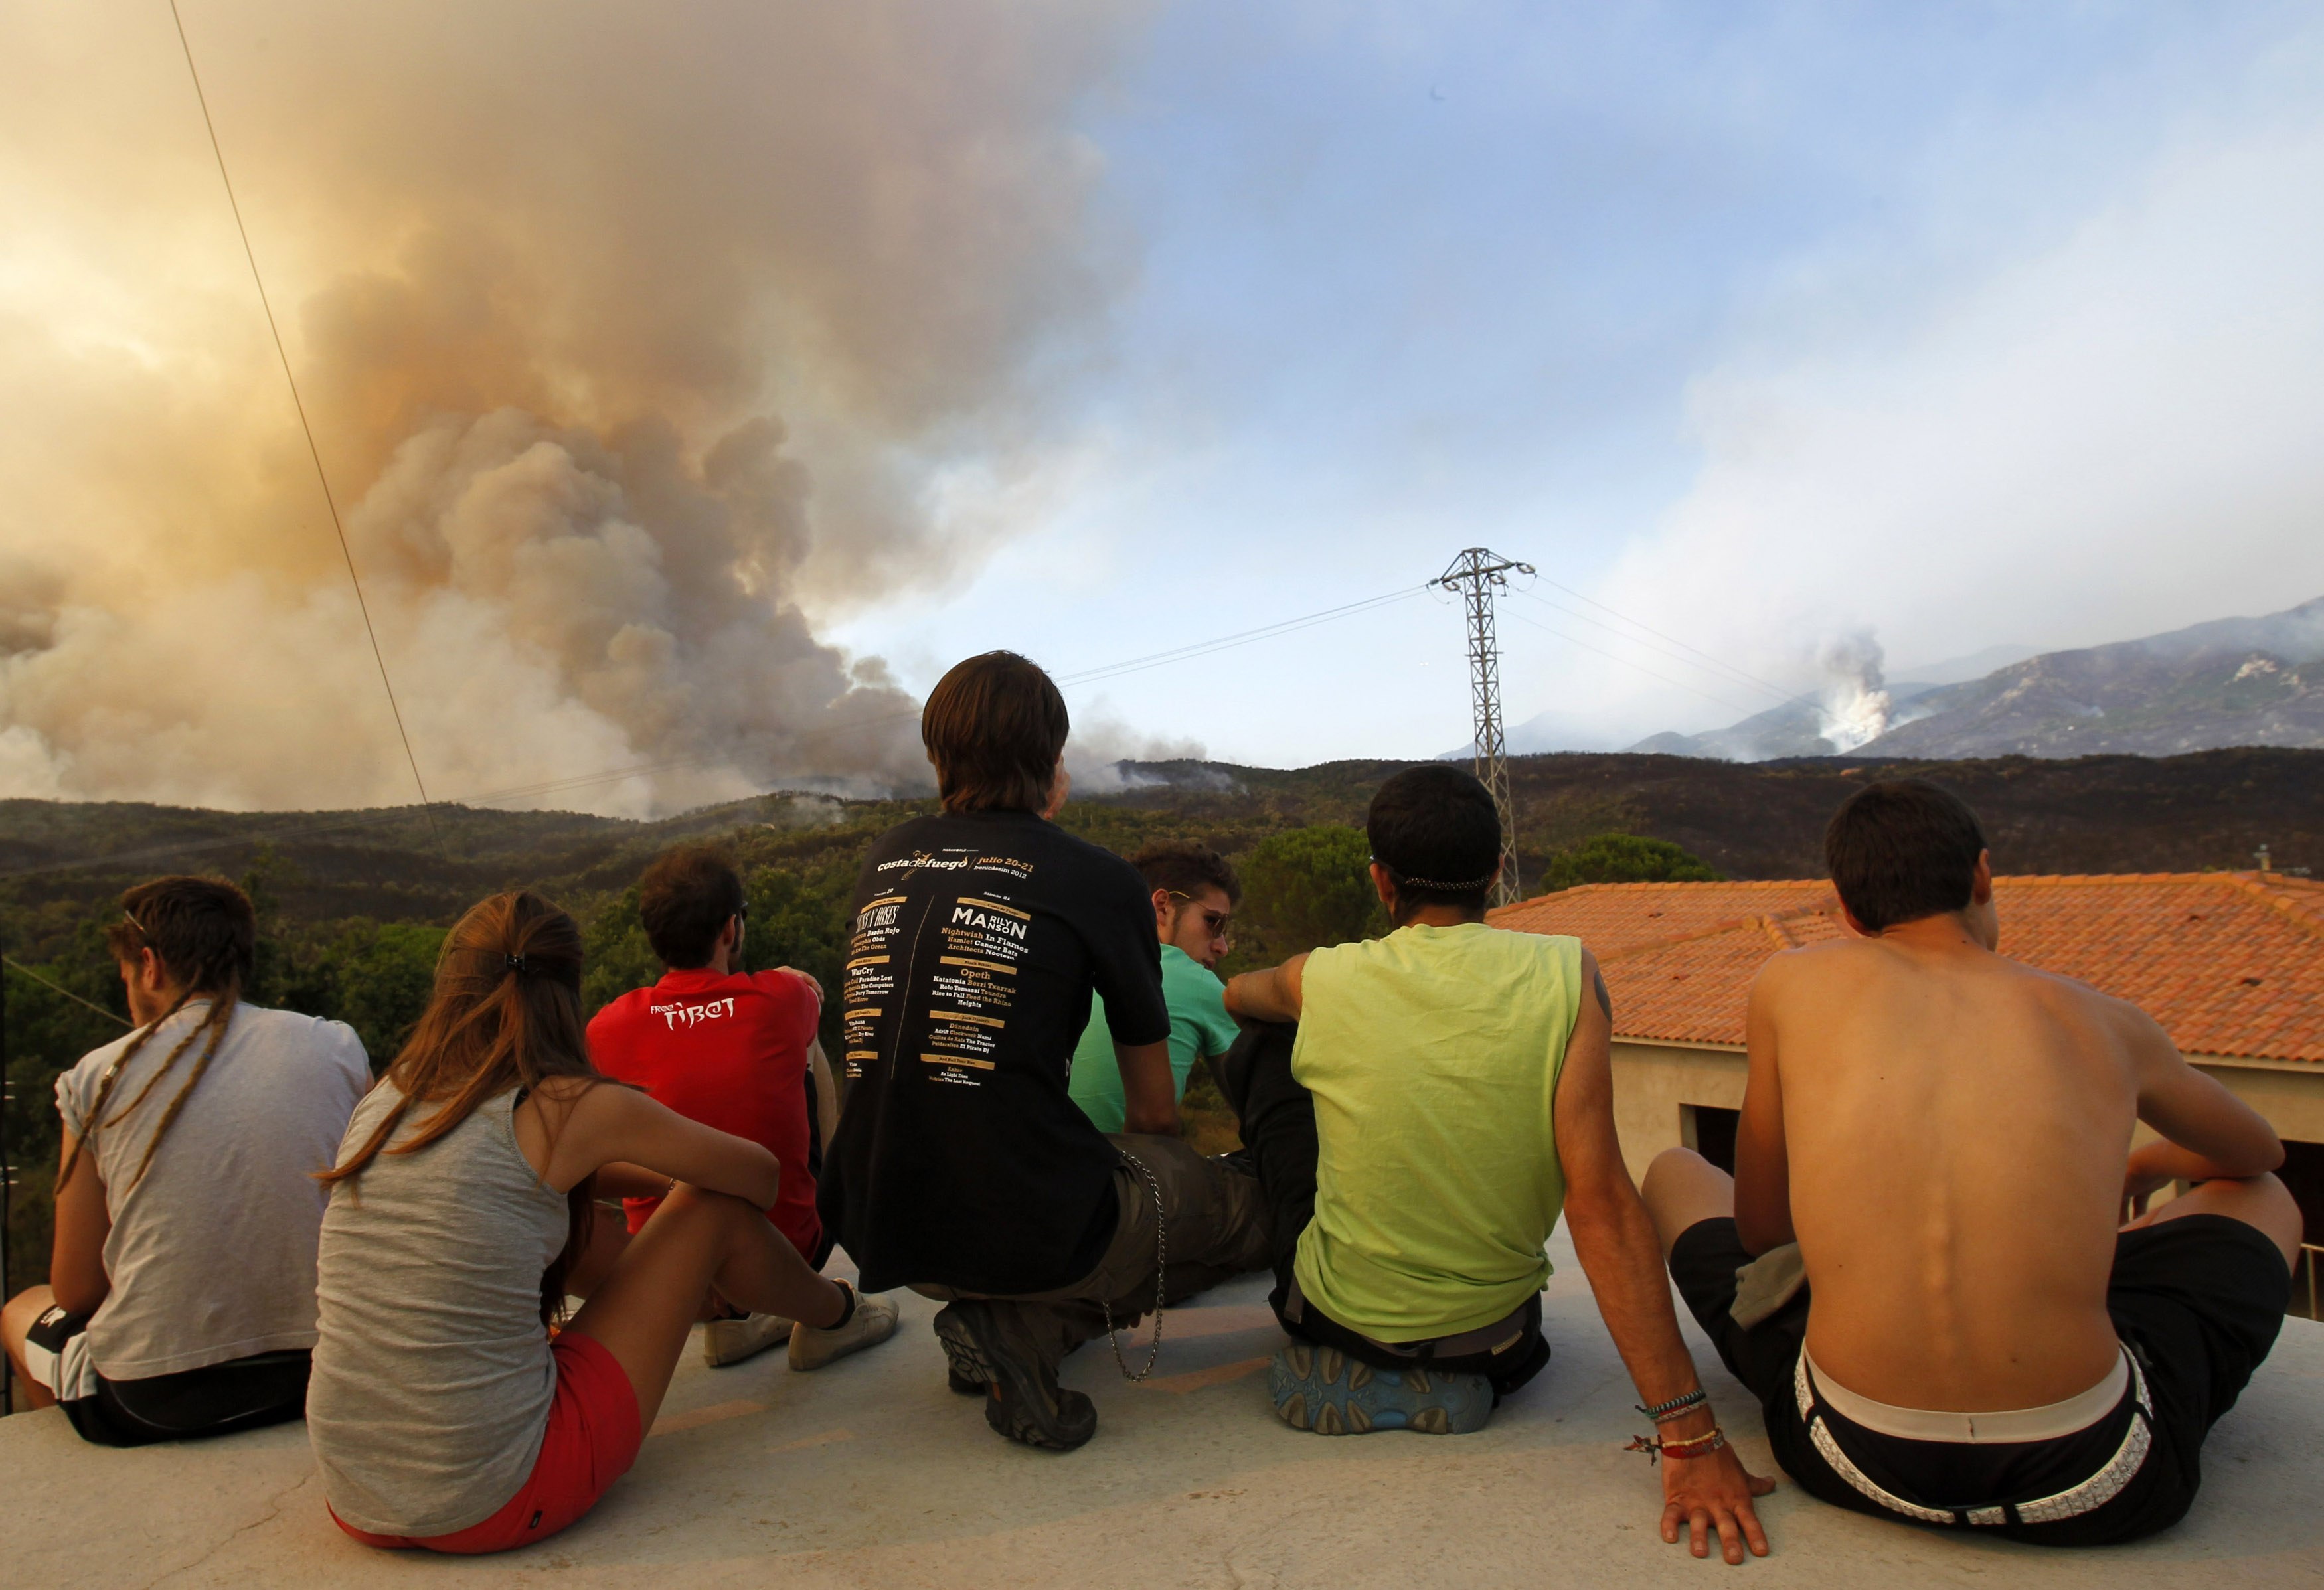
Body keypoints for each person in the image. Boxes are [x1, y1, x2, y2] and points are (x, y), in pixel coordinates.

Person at [1641, 779, 2301, 1546]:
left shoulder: (1789, 983)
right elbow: (2257, 1152)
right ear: (1982, 875)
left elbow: (1759, 1232)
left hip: (1844, 1451)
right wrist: (2142, 1163)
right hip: (2095, 1479)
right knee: (2264, 1198)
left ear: (1847, 912)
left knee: (1672, 1171)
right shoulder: (2103, 1022)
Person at [1219, 764, 1774, 1565]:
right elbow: (1600, 1201)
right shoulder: (1567, 973)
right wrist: (1686, 1430)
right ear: (1495, 869)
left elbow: (1242, 994)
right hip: (1497, 1345)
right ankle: (1442, 1373)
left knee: (1266, 1045)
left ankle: (1359, 1355)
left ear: (1380, 881)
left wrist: (1255, 998)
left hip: (1330, 1317)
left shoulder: (1325, 976)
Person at [308, 891, 890, 1555]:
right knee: (709, 1208)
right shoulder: (571, 1106)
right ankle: (833, 1317)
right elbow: (756, 1177)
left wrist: (630, 1175)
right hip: (490, 1495)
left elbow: (515, 1177)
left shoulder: (389, 1098)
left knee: (560, 1205)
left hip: (354, 1490)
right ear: (563, 991)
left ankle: (745, 1313)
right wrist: (675, 1184)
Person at [817, 651, 1270, 1452]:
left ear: (934, 754)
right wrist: (1168, 1206)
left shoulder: (885, 855)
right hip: (1022, 1228)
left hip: (879, 1225)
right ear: (1054, 758)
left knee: (1125, 1210)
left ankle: (1008, 1318)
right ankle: (1029, 1325)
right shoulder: (1098, 880)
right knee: (1238, 1214)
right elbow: (1156, 1113)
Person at [0, 876, 368, 1447]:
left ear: (149, 965)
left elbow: (76, 1292)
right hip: (327, 1370)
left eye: (125, 975)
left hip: (156, 1400)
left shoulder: (94, 1077)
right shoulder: (336, 1046)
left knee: (22, 1309)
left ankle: (92, 1478)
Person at [588, 845, 874, 1370]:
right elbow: (806, 996)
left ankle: (735, 1324)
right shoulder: (783, 998)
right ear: (729, 930)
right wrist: (785, 978)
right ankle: (828, 1210)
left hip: (676, 1275)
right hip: (788, 1252)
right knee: (805, 1050)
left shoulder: (606, 1028)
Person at [1066, 840, 1241, 1134]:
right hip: (1119, 1172)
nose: (1222, 947)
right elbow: (1265, 1112)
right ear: (1163, 908)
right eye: (1213, 922)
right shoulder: (1196, 980)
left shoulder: (1073, 957)